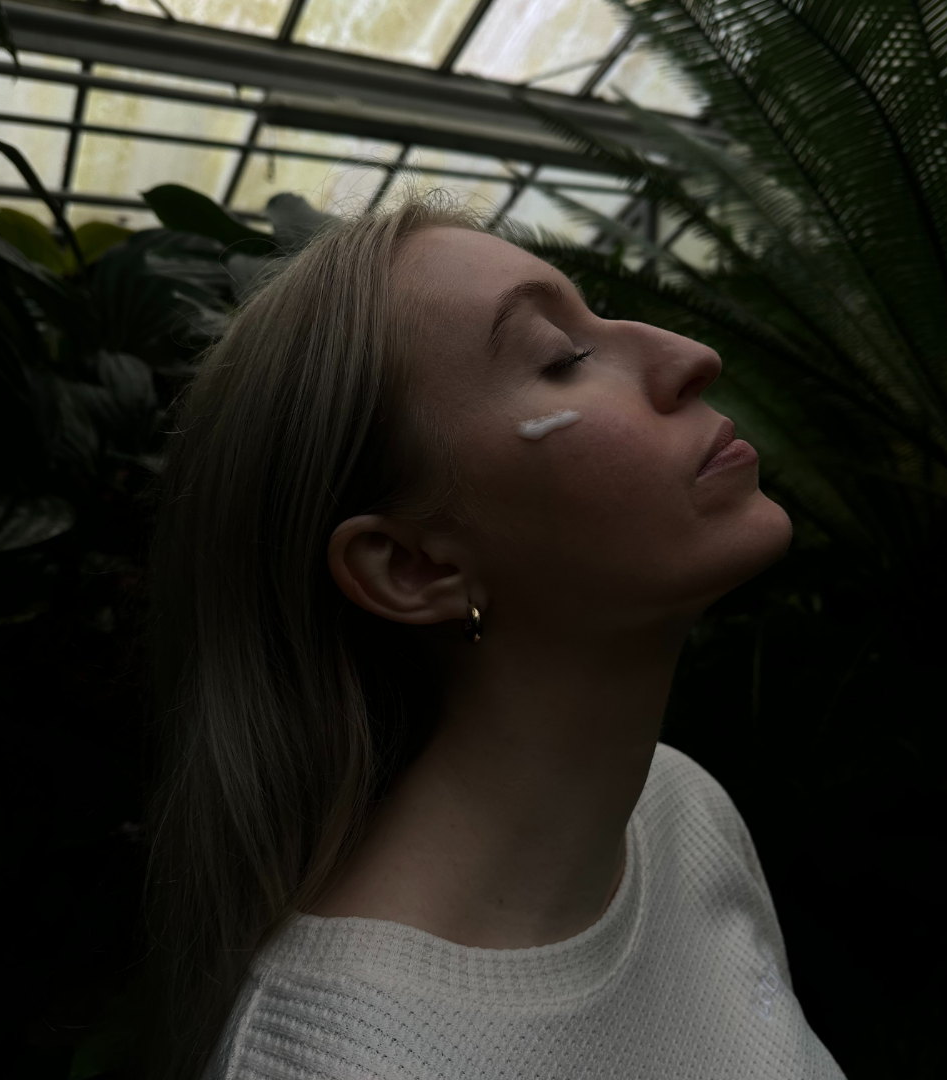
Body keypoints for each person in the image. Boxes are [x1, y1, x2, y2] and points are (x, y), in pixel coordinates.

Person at [143, 191, 846, 1080]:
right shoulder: (337, 1061)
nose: (691, 357)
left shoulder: (676, 812)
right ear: (413, 567)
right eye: (563, 359)